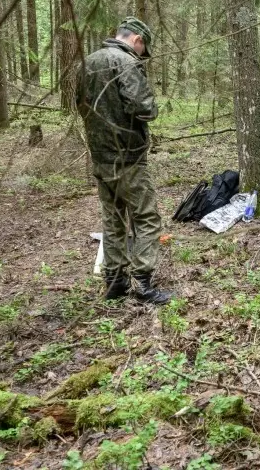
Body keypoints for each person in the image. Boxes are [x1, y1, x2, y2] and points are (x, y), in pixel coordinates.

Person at [76, 17, 172, 305]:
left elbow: (78, 104)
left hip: (100, 155)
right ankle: (142, 283)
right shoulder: (126, 63)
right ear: (137, 40)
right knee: (146, 216)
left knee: (114, 218)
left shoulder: (88, 62)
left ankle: (114, 282)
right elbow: (144, 108)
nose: (143, 55)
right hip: (128, 156)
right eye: (144, 49)